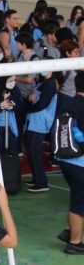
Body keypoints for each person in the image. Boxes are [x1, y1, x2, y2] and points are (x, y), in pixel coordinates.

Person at [55, 71, 84, 254]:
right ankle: (75, 243)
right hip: (80, 161)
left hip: (66, 159)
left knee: (76, 196)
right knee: (79, 203)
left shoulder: (69, 103)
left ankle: (68, 231)